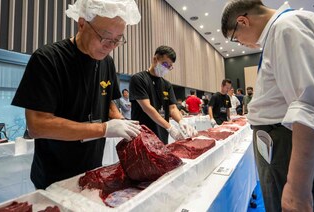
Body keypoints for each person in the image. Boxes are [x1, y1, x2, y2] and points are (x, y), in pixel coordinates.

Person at [221, 1, 314, 211]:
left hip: (288, 143)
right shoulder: (288, 27)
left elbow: (310, 106)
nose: (240, 43)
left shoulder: (286, 28)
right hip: (287, 141)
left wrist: (298, 186)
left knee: (292, 204)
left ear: (242, 21)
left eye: (236, 38)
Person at [11, 0, 142, 189]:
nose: (110, 46)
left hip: (92, 169)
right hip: (54, 176)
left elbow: (108, 103)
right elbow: (37, 125)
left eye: (117, 39)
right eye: (104, 37)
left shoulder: (107, 62)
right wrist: (104, 129)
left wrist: (123, 123)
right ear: (82, 23)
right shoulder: (48, 59)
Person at [129, 46, 197, 144]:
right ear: (155, 59)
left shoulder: (167, 84)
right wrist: (170, 127)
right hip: (143, 135)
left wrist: (181, 121)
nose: (166, 68)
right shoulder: (139, 79)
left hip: (162, 135)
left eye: (169, 66)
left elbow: (173, 108)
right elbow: (147, 107)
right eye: (165, 64)